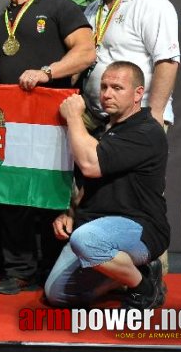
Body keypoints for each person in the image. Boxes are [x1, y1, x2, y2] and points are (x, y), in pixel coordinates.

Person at [0, 0, 96, 294]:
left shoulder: (60, 8)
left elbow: (86, 51)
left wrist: (48, 72)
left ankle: (56, 266)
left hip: (55, 122)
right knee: (12, 196)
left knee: (56, 194)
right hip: (13, 126)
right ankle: (18, 269)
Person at [45, 61, 169, 309]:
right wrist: (69, 212)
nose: (107, 94)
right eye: (103, 87)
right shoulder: (103, 129)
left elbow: (92, 165)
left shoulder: (146, 131)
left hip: (139, 228)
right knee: (56, 294)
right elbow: (86, 184)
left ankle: (143, 286)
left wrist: (73, 116)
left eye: (117, 87)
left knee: (86, 240)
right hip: (95, 227)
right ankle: (126, 274)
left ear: (138, 93)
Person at [82, 0, 180, 129]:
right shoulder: (92, 10)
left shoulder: (151, 4)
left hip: (137, 117)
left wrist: (155, 114)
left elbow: (167, 61)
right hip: (96, 116)